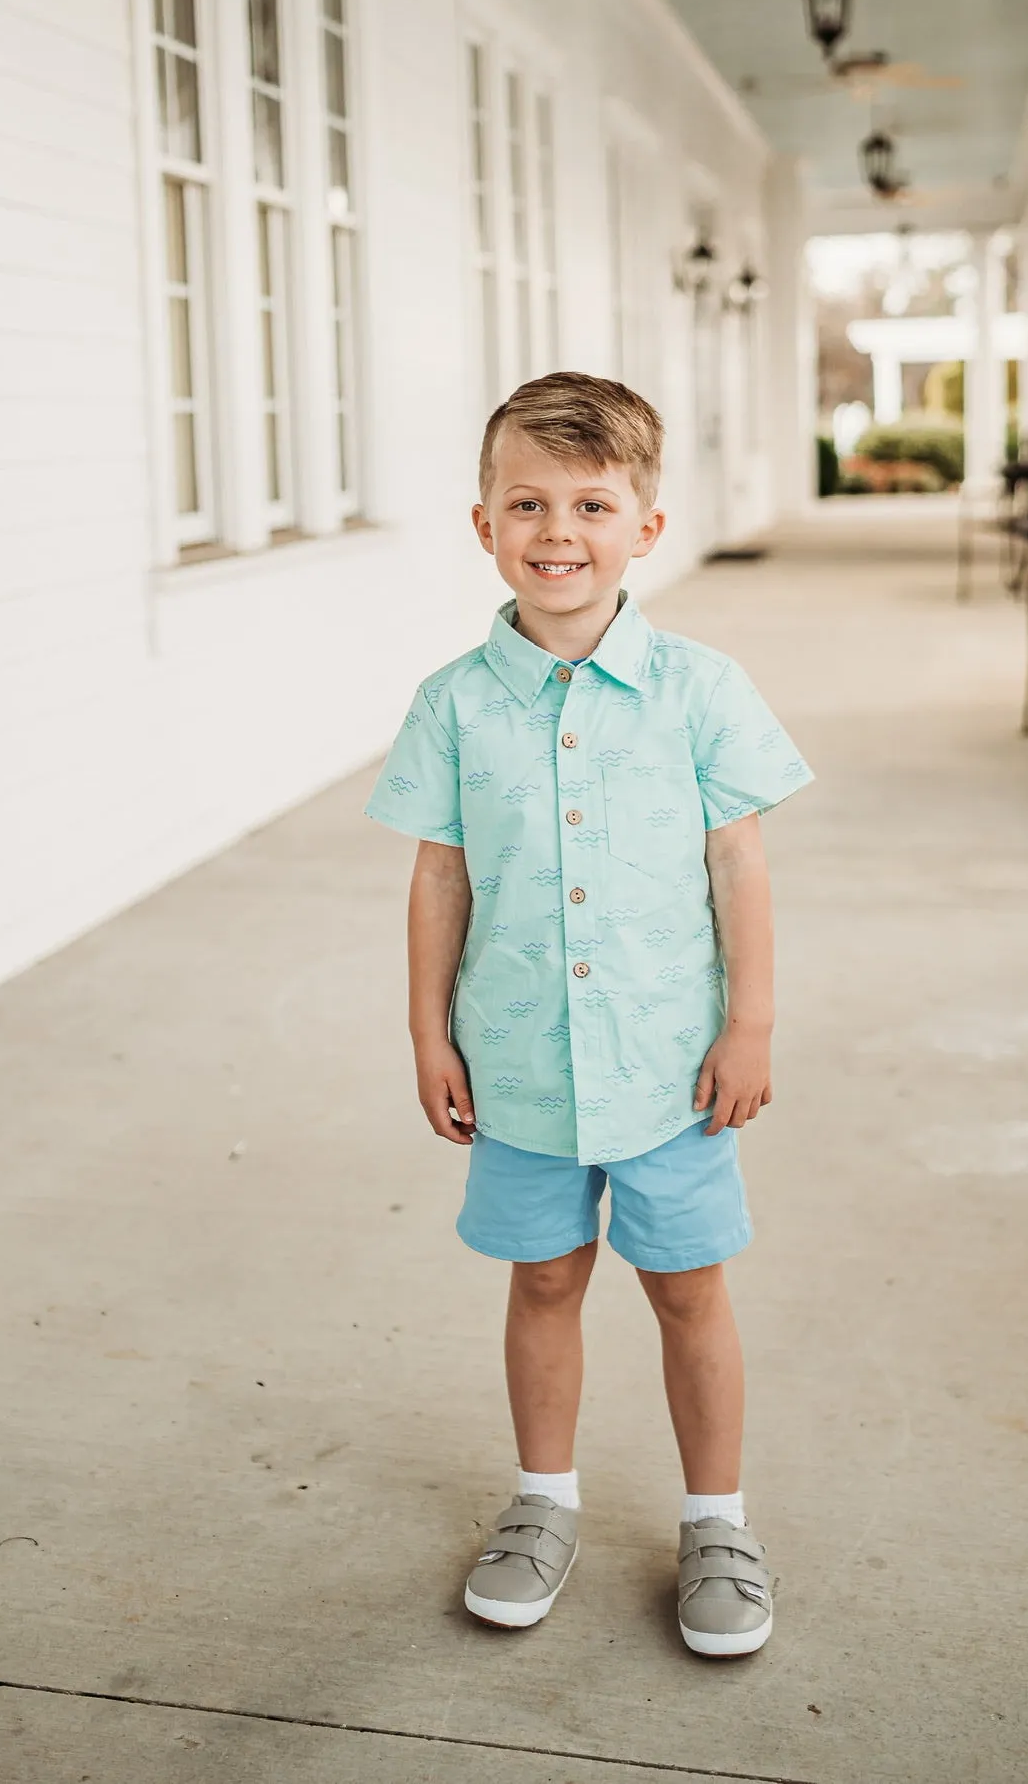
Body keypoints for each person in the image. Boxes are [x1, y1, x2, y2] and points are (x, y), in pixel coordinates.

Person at [366, 371, 812, 1656]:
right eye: (528, 502)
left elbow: (742, 860)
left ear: (645, 528)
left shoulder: (702, 689)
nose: (557, 529)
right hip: (518, 1065)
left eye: (591, 502)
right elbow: (438, 871)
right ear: (485, 523)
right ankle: (543, 1497)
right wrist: (426, 1030)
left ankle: (718, 1517)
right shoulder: (453, 702)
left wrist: (753, 1023)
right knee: (546, 1274)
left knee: (686, 1286)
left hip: (672, 1064)